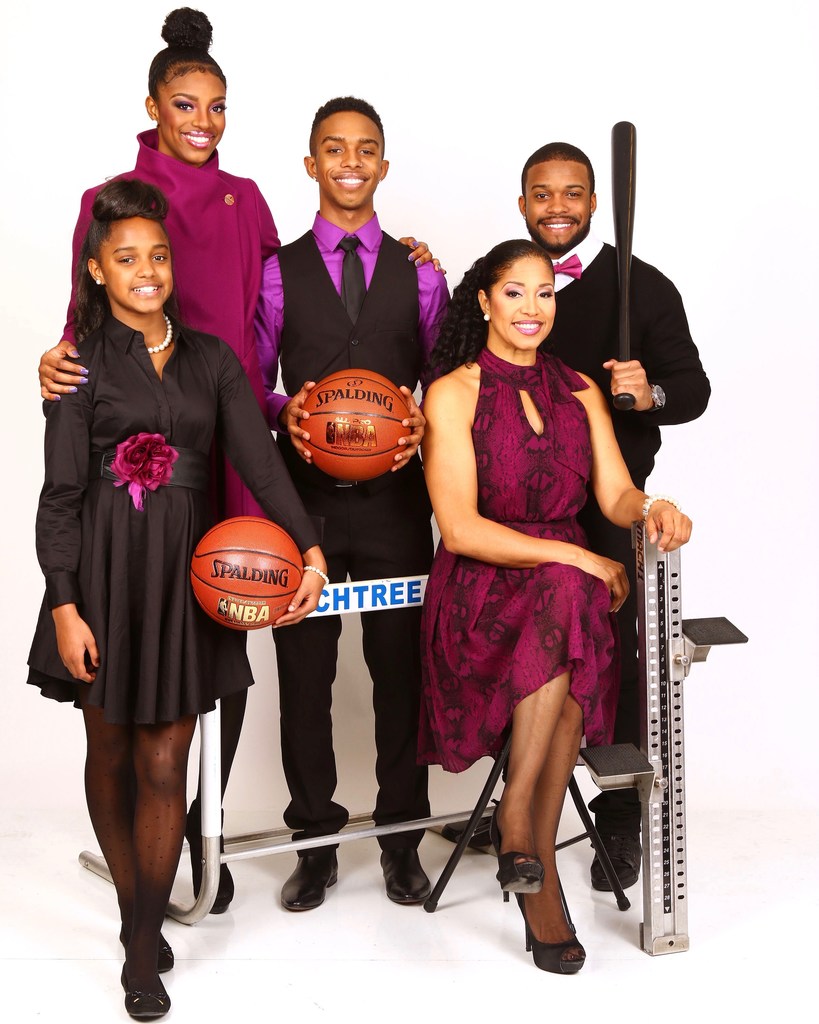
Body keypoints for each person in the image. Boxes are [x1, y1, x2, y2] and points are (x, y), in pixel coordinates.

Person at [36, 8, 437, 914]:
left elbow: (269, 327)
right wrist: (57, 359)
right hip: (149, 451)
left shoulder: (248, 198)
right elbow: (85, 312)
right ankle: (182, 845)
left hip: (239, 448)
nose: (204, 121)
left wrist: (416, 270)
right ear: (153, 105)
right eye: (187, 104)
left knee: (225, 632)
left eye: (217, 105)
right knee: (186, 644)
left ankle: (202, 832)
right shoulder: (114, 197)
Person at [27, 179, 327, 1019]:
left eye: (157, 256)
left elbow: (261, 463)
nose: (146, 271)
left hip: (185, 581)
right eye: (126, 259)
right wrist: (63, 604)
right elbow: (59, 494)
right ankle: (137, 911)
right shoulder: (78, 363)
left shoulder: (212, 360)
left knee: (167, 758)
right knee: (113, 753)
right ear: (97, 270)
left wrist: (306, 547)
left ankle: (138, 939)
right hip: (100, 575)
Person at [418, 238, 692, 973]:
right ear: (484, 301)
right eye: (515, 292)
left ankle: (524, 844)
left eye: (545, 293)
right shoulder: (452, 392)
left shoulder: (578, 390)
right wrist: (576, 554)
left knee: (568, 606)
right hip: (480, 594)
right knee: (571, 595)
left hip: (560, 600)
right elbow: (462, 528)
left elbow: (612, 495)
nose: (533, 308)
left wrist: (652, 507)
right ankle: (525, 840)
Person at [254, 95, 450, 910]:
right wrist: (282, 413)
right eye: (333, 149)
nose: (349, 161)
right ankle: (316, 843)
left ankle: (401, 840)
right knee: (305, 680)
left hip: (397, 504)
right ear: (310, 164)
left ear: (383, 165)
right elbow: (251, 379)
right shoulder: (274, 269)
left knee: (400, 675)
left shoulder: (424, 272)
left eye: (365, 149)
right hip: (302, 509)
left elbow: (446, 381)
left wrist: (420, 420)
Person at [518, 142, 710, 891]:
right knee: (515, 640)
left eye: (571, 194)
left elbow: (690, 389)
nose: (556, 207)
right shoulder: (511, 280)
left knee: (617, 655)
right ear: (522, 203)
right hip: (515, 501)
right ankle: (519, 802)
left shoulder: (643, 287)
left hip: (607, 501)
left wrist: (646, 394)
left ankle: (619, 816)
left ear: (594, 203)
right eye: (541, 194)